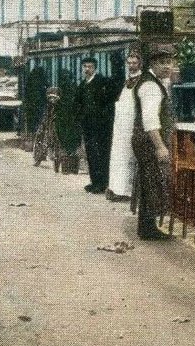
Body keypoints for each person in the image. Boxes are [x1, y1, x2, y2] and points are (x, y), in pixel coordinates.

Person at [129, 50, 175, 241]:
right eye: (163, 62)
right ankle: (147, 229)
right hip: (148, 140)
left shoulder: (152, 82)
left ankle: (147, 226)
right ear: (153, 65)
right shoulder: (150, 86)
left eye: (170, 62)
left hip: (142, 139)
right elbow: (150, 119)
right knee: (150, 182)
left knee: (149, 181)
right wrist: (160, 146)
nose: (168, 66)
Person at [106, 51, 144, 202]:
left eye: (134, 63)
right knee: (118, 157)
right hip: (121, 126)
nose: (131, 66)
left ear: (139, 64)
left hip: (131, 125)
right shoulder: (127, 80)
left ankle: (127, 191)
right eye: (129, 63)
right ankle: (117, 188)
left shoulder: (141, 81)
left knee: (129, 158)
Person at [74, 58, 114, 194]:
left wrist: (104, 118)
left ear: (95, 68)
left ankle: (103, 183)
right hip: (88, 125)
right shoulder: (83, 84)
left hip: (101, 126)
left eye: (90, 67)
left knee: (101, 154)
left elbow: (110, 102)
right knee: (91, 154)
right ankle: (95, 182)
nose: (87, 69)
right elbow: (78, 103)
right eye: (84, 66)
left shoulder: (102, 82)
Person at [32, 87, 62, 168]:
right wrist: (44, 125)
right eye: (50, 98)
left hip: (57, 127)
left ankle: (57, 160)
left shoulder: (60, 107)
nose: (52, 100)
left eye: (54, 98)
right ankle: (39, 158)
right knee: (42, 138)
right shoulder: (48, 107)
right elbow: (45, 118)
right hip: (48, 126)